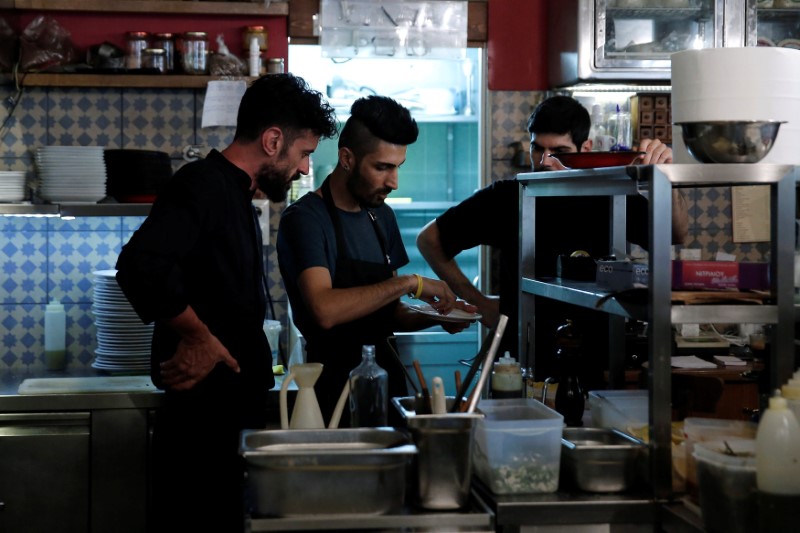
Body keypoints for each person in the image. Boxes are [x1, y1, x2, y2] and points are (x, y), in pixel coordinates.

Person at [114, 74, 338, 533]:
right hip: (202, 432)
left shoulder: (235, 193)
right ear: (274, 140)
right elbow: (140, 266)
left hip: (228, 421)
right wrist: (197, 336)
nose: (303, 170)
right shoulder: (202, 185)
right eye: (304, 154)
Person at [417, 95, 687, 379]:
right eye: (537, 149)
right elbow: (429, 240)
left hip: (596, 357)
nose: (545, 161)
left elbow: (676, 233)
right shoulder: (506, 197)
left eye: (559, 150)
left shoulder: (608, 194)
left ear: (585, 148)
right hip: (518, 357)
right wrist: (480, 302)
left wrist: (667, 181)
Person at [277, 95, 474, 425]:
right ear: (347, 159)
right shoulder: (305, 220)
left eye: (398, 167)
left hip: (387, 384)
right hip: (333, 393)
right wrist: (412, 283)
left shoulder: (381, 218)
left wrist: (439, 316)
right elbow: (324, 310)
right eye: (382, 167)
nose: (393, 182)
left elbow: (390, 314)